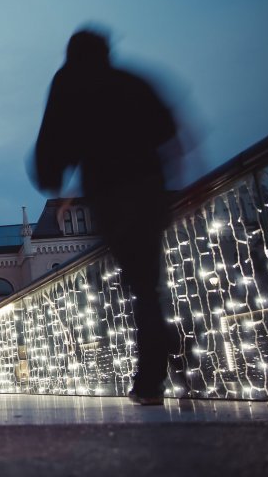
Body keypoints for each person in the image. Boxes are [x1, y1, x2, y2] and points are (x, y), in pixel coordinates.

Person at [32, 28, 181, 405]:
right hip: (150, 189)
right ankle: (167, 358)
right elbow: (169, 129)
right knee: (149, 284)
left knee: (138, 285)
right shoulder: (131, 81)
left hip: (111, 195)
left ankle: (152, 376)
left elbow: (54, 138)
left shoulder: (71, 82)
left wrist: (52, 176)